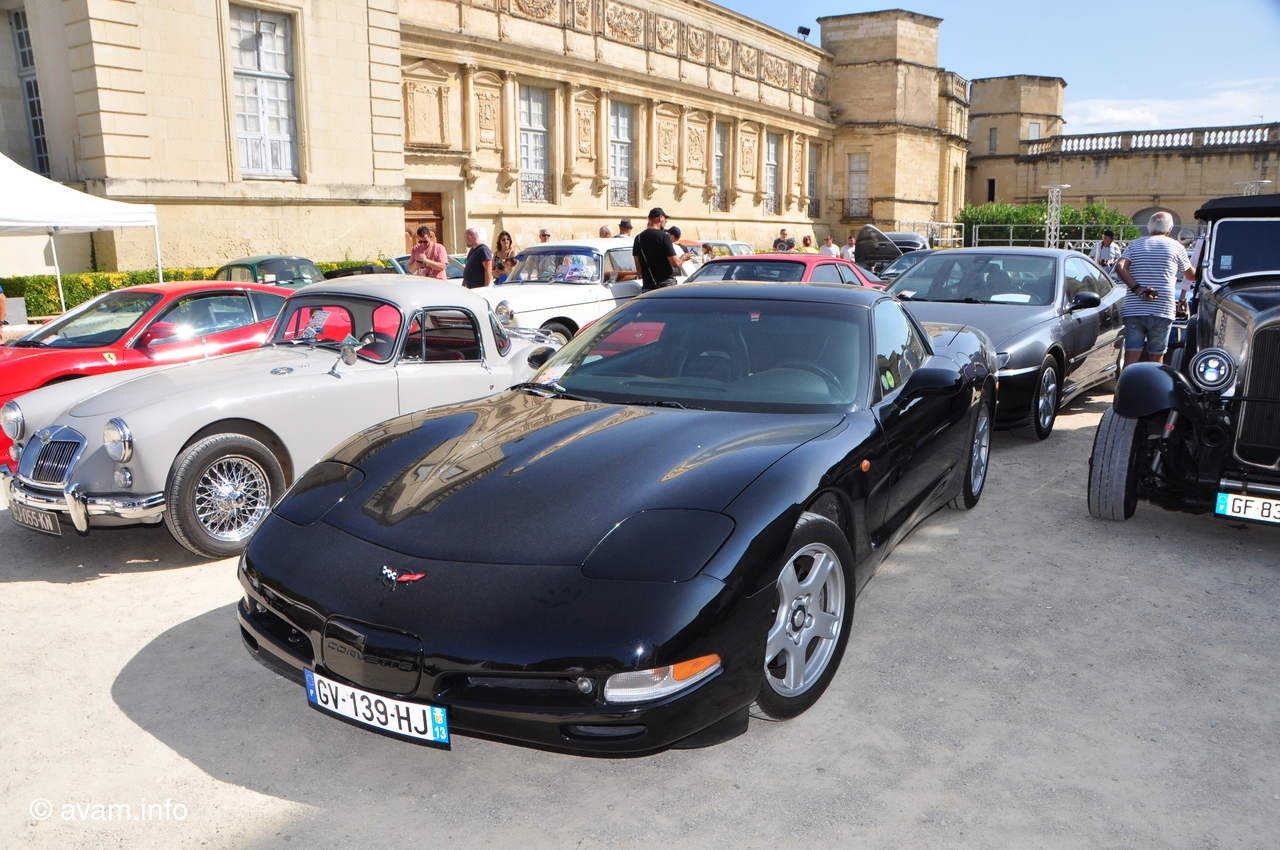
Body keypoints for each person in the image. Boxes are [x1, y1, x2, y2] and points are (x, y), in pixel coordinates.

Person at [1114, 211, 1195, 368]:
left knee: (1131, 354)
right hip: (1162, 309)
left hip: (1134, 308)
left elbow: (1119, 266)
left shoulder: (1135, 244)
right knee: (1156, 356)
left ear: (1149, 228)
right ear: (1170, 230)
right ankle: (1154, 383)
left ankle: (1127, 383)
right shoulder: (1176, 246)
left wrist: (1138, 289)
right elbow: (1191, 275)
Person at [633, 208, 692, 291]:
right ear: (661, 218)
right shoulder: (664, 236)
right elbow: (675, 263)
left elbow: (639, 268)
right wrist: (684, 257)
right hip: (665, 288)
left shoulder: (638, 238)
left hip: (648, 287)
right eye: (665, 220)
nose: (665, 222)